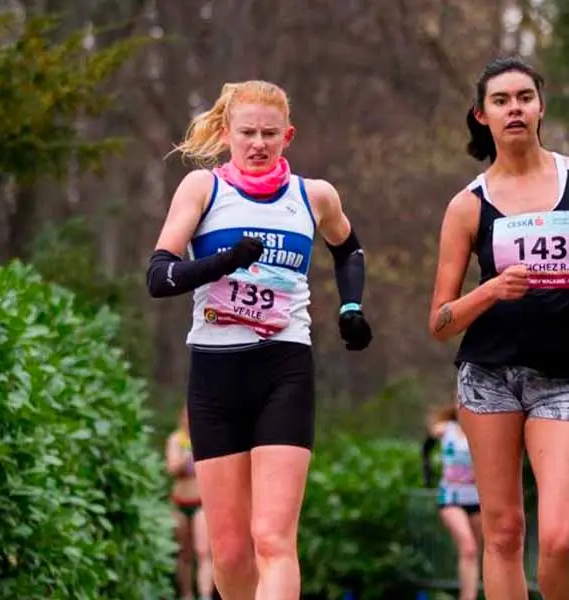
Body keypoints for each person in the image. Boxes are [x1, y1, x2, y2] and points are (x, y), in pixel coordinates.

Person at [146, 80, 373, 600]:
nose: (258, 144)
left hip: (283, 368)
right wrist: (224, 261)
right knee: (228, 554)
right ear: (228, 133)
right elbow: (159, 277)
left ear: (288, 136)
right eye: (247, 132)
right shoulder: (203, 190)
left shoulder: (312, 196)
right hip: (215, 374)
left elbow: (349, 250)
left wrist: (352, 306)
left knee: (272, 538)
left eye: (270, 134)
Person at [428, 55, 569, 600]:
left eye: (524, 97)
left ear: (541, 106)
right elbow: (440, 320)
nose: (514, 108)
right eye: (501, 101)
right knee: (502, 533)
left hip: (565, 372)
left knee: (560, 536)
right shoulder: (466, 205)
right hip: (487, 377)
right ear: (482, 116)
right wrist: (490, 290)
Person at [424, 401, 483, 600]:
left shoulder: (482, 431)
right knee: (468, 546)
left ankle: (471, 594)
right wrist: (427, 474)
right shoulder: (445, 430)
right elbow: (428, 440)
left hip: (477, 498)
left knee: (474, 553)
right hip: (451, 497)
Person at [166, 407, 213, 600]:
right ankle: (186, 594)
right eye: (186, 417)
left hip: (201, 503)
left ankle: (205, 595)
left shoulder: (208, 437)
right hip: (179, 502)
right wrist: (187, 453)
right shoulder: (175, 440)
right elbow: (172, 468)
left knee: (203, 551)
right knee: (183, 553)